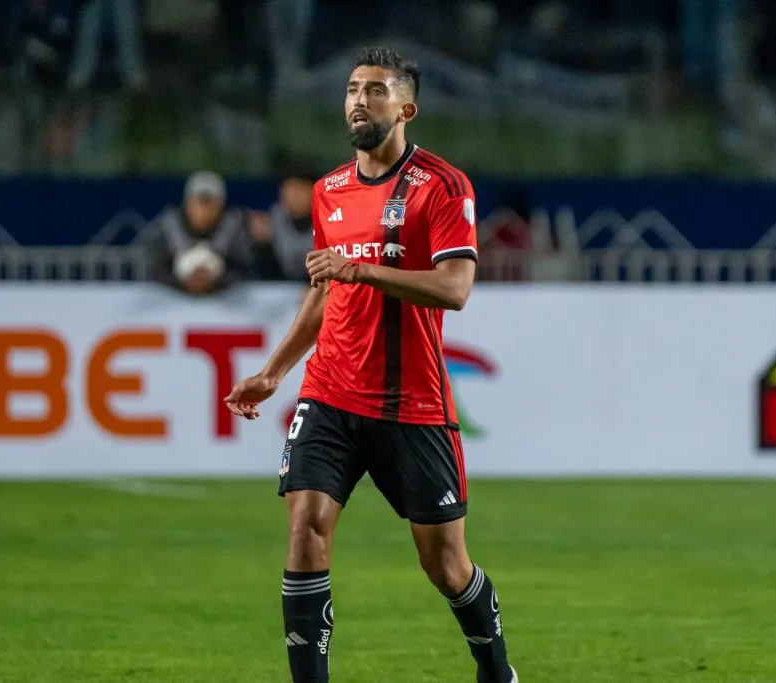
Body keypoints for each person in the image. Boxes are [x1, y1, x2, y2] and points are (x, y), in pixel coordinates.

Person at [224, 47, 518, 683]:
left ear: (406, 107)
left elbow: (455, 288)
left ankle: (496, 669)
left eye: (377, 90)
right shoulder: (329, 192)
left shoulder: (442, 186)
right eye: (354, 89)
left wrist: (361, 269)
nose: (360, 99)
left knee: (444, 563)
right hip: (329, 391)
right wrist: (274, 372)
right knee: (306, 526)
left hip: (411, 402)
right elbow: (324, 293)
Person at [149, 170, 277, 295]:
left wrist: (216, 282)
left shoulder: (233, 227)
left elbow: (246, 271)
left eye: (210, 203)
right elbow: (152, 271)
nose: (204, 210)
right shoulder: (169, 225)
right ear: (188, 203)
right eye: (199, 202)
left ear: (220, 204)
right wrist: (182, 282)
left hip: (224, 306)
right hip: (173, 305)